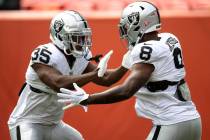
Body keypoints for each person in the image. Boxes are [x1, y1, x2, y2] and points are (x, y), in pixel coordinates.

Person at [57, 2, 202, 140]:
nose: (125, 32)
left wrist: (88, 99)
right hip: (192, 120)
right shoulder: (169, 38)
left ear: (142, 24)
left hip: (171, 123)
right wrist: (108, 70)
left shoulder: (144, 50)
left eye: (127, 26)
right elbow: (112, 78)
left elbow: (126, 90)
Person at [8, 10, 128, 140]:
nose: (82, 42)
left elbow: (105, 78)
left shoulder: (80, 56)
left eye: (83, 37)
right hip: (28, 122)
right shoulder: (45, 53)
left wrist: (126, 65)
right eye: (76, 37)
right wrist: (94, 74)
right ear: (60, 36)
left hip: (54, 124)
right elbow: (58, 83)